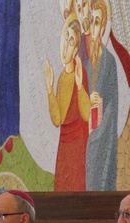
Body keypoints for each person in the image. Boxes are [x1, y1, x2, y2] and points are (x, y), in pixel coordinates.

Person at [45, 12, 90, 191]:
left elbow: (86, 114)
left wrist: (79, 86)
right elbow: (57, 119)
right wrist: (49, 88)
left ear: (76, 48)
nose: (66, 47)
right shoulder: (63, 77)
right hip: (64, 144)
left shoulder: (81, 74)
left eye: (71, 42)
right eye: (66, 39)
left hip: (78, 144)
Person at [83, 0, 118, 190]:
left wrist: (100, 106)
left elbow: (113, 104)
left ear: (103, 26)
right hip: (85, 134)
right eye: (92, 21)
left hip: (101, 134)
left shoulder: (109, 61)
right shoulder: (87, 61)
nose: (94, 28)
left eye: (98, 22)